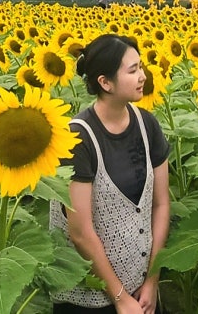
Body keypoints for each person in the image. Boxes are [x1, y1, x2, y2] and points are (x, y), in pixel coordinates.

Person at [50, 34, 171, 314]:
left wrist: (152, 279)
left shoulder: (147, 125)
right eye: (133, 70)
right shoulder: (78, 138)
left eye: (141, 67)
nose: (143, 76)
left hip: (141, 291)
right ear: (105, 83)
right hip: (88, 298)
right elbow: (80, 232)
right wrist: (120, 297)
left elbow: (161, 204)